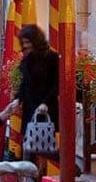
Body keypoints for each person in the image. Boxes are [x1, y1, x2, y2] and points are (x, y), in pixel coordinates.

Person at [11, 24, 61, 159]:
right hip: (29, 106)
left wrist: (45, 103)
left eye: (28, 42)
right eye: (24, 43)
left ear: (36, 41)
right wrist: (17, 99)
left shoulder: (52, 58)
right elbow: (25, 84)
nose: (25, 46)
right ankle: (30, 175)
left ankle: (67, 168)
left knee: (44, 143)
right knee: (29, 143)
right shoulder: (28, 58)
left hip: (46, 106)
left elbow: (56, 84)